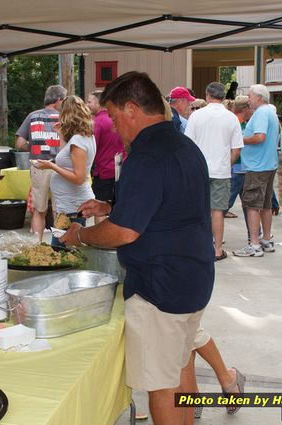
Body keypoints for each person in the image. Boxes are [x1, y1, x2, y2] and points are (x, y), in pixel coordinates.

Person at [60, 71, 217, 424]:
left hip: (160, 289)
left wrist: (80, 236)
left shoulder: (145, 156)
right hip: (194, 278)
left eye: (114, 117)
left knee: (161, 387)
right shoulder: (183, 145)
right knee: (178, 369)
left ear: (132, 109)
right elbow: (168, 207)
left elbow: (124, 234)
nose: (114, 127)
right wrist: (111, 207)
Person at [185, 82, 243, 261]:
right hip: (221, 170)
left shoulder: (196, 116)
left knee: (198, 209)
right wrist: (227, 163)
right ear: (223, 96)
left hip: (199, 170)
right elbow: (236, 150)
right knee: (217, 210)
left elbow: (188, 145)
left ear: (208, 95)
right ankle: (217, 249)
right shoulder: (231, 117)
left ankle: (196, 247)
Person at [34, 96, 96, 245]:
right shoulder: (83, 137)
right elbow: (65, 158)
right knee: (64, 250)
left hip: (73, 206)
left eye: (61, 112)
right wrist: (61, 134)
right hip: (68, 205)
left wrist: (51, 166)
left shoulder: (78, 142)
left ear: (67, 115)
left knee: (60, 250)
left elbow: (79, 177)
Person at [233, 84, 280, 257]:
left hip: (257, 166)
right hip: (268, 164)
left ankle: (254, 244)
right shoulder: (270, 112)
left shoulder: (260, 113)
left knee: (252, 205)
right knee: (266, 205)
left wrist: (240, 139)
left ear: (259, 97)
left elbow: (260, 137)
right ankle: (266, 239)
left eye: (250, 96)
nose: (248, 99)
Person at [15, 85, 67, 241]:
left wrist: (34, 146)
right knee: (59, 211)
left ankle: (37, 245)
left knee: (39, 210)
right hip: (60, 167)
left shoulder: (32, 116)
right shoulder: (64, 118)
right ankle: (60, 246)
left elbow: (19, 143)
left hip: (39, 166)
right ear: (59, 100)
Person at [86, 90, 125, 224]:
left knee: (100, 209)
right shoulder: (117, 119)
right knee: (118, 207)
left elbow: (91, 148)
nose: (87, 105)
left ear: (99, 103)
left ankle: (102, 241)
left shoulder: (97, 122)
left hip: (103, 172)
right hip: (120, 170)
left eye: (90, 102)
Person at [225, 96, 253, 220]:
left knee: (248, 204)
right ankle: (211, 233)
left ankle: (254, 233)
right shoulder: (235, 123)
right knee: (224, 205)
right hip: (236, 168)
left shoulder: (241, 123)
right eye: (250, 108)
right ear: (245, 109)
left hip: (242, 168)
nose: (252, 111)